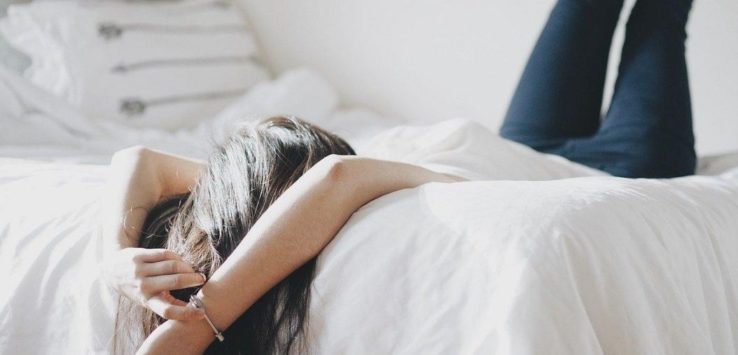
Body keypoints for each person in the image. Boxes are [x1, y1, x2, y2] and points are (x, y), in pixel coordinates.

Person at [101, 0, 697, 354]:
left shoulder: (283, 195)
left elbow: (139, 160)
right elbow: (338, 175)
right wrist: (201, 323)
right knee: (661, 17)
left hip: (521, 142)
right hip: (620, 164)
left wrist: (116, 255)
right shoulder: (376, 184)